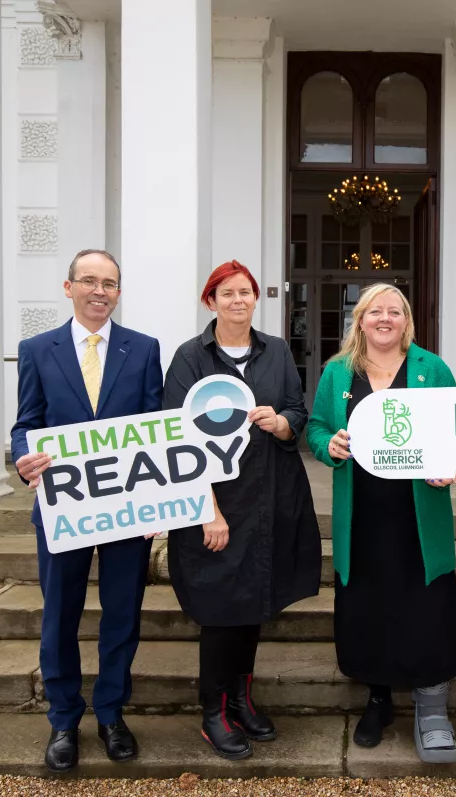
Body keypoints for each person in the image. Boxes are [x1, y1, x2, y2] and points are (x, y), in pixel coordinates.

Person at [307, 283, 456, 764]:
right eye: (375, 311)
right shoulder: (338, 371)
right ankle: (377, 699)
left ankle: (432, 707)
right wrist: (329, 447)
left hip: (418, 513)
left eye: (395, 311)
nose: (385, 319)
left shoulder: (432, 369)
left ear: (407, 320)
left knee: (425, 607)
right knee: (368, 607)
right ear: (359, 320)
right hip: (362, 515)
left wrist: (454, 465)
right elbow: (316, 427)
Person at [11, 249, 163, 773]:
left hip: (126, 509)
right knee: (59, 616)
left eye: (111, 284)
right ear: (68, 286)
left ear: (119, 292)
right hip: (64, 508)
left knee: (122, 614)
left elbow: (154, 428)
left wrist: (156, 503)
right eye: (90, 281)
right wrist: (23, 459)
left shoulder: (143, 350)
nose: (101, 291)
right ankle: (63, 719)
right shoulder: (37, 349)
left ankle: (112, 714)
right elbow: (25, 423)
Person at [162, 260, 321, 761]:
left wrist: (281, 423)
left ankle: (240, 699)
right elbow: (177, 437)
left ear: (256, 299)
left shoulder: (276, 352)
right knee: (220, 609)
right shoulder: (190, 358)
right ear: (210, 301)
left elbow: (300, 411)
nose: (238, 300)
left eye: (246, 292)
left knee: (255, 600)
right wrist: (206, 508)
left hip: (270, 495)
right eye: (227, 293)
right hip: (217, 503)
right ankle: (213, 711)